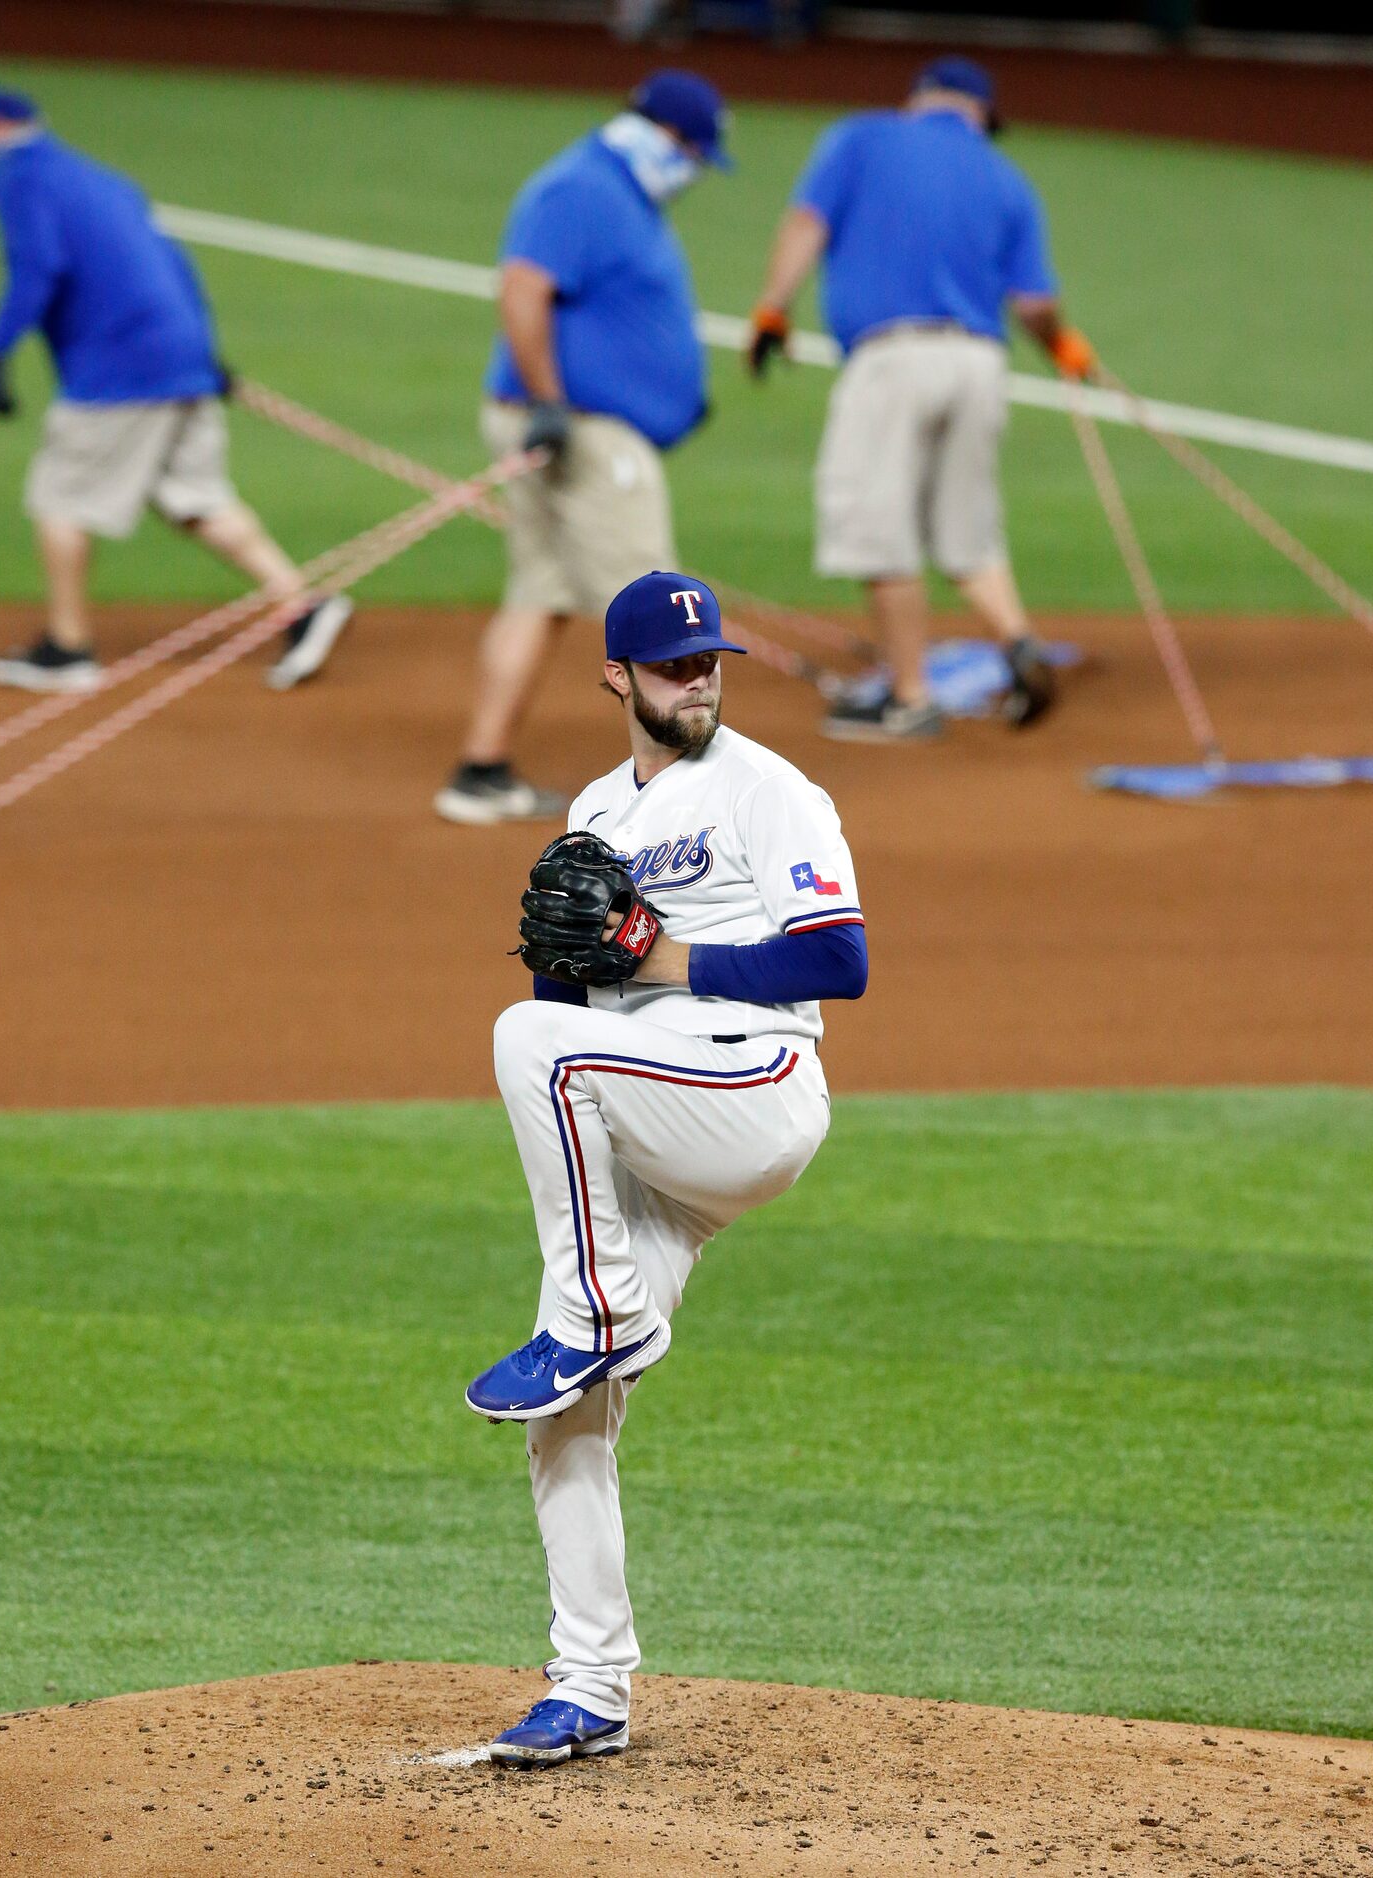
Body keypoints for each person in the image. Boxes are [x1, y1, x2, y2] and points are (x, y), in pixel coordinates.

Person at [466, 570, 867, 1764]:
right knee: (565, 1422)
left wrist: (661, 953)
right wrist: (580, 956)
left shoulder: (772, 792)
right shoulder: (592, 809)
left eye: (711, 665)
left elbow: (836, 959)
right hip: (648, 1116)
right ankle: (590, 1689)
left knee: (524, 1042)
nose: (699, 683)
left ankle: (600, 1313)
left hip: (752, 1088)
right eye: (674, 668)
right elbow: (572, 990)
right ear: (617, 677)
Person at [0, 91, 351, 695]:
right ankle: (302, 606)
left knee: (60, 497)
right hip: (175, 352)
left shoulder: (24, 180)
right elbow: (173, 261)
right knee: (195, 497)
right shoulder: (99, 178)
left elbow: (38, 268)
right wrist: (200, 355)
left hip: (118, 367)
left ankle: (67, 648)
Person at [746, 56, 1095, 740]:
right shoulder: (1007, 178)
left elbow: (805, 226)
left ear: (918, 100)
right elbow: (1035, 303)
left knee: (881, 526)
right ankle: (1018, 641)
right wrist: (1062, 346)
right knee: (966, 526)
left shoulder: (862, 138)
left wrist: (771, 310)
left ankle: (910, 699)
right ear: (983, 117)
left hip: (893, 358)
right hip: (980, 364)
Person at [434, 72, 730, 826]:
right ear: (660, 133)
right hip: (580, 433)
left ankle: (481, 769)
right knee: (662, 613)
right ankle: (688, 799)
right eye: (693, 152)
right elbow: (523, 290)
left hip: (579, 426)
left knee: (540, 594)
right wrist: (553, 403)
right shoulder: (583, 188)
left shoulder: (620, 196)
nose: (693, 169)